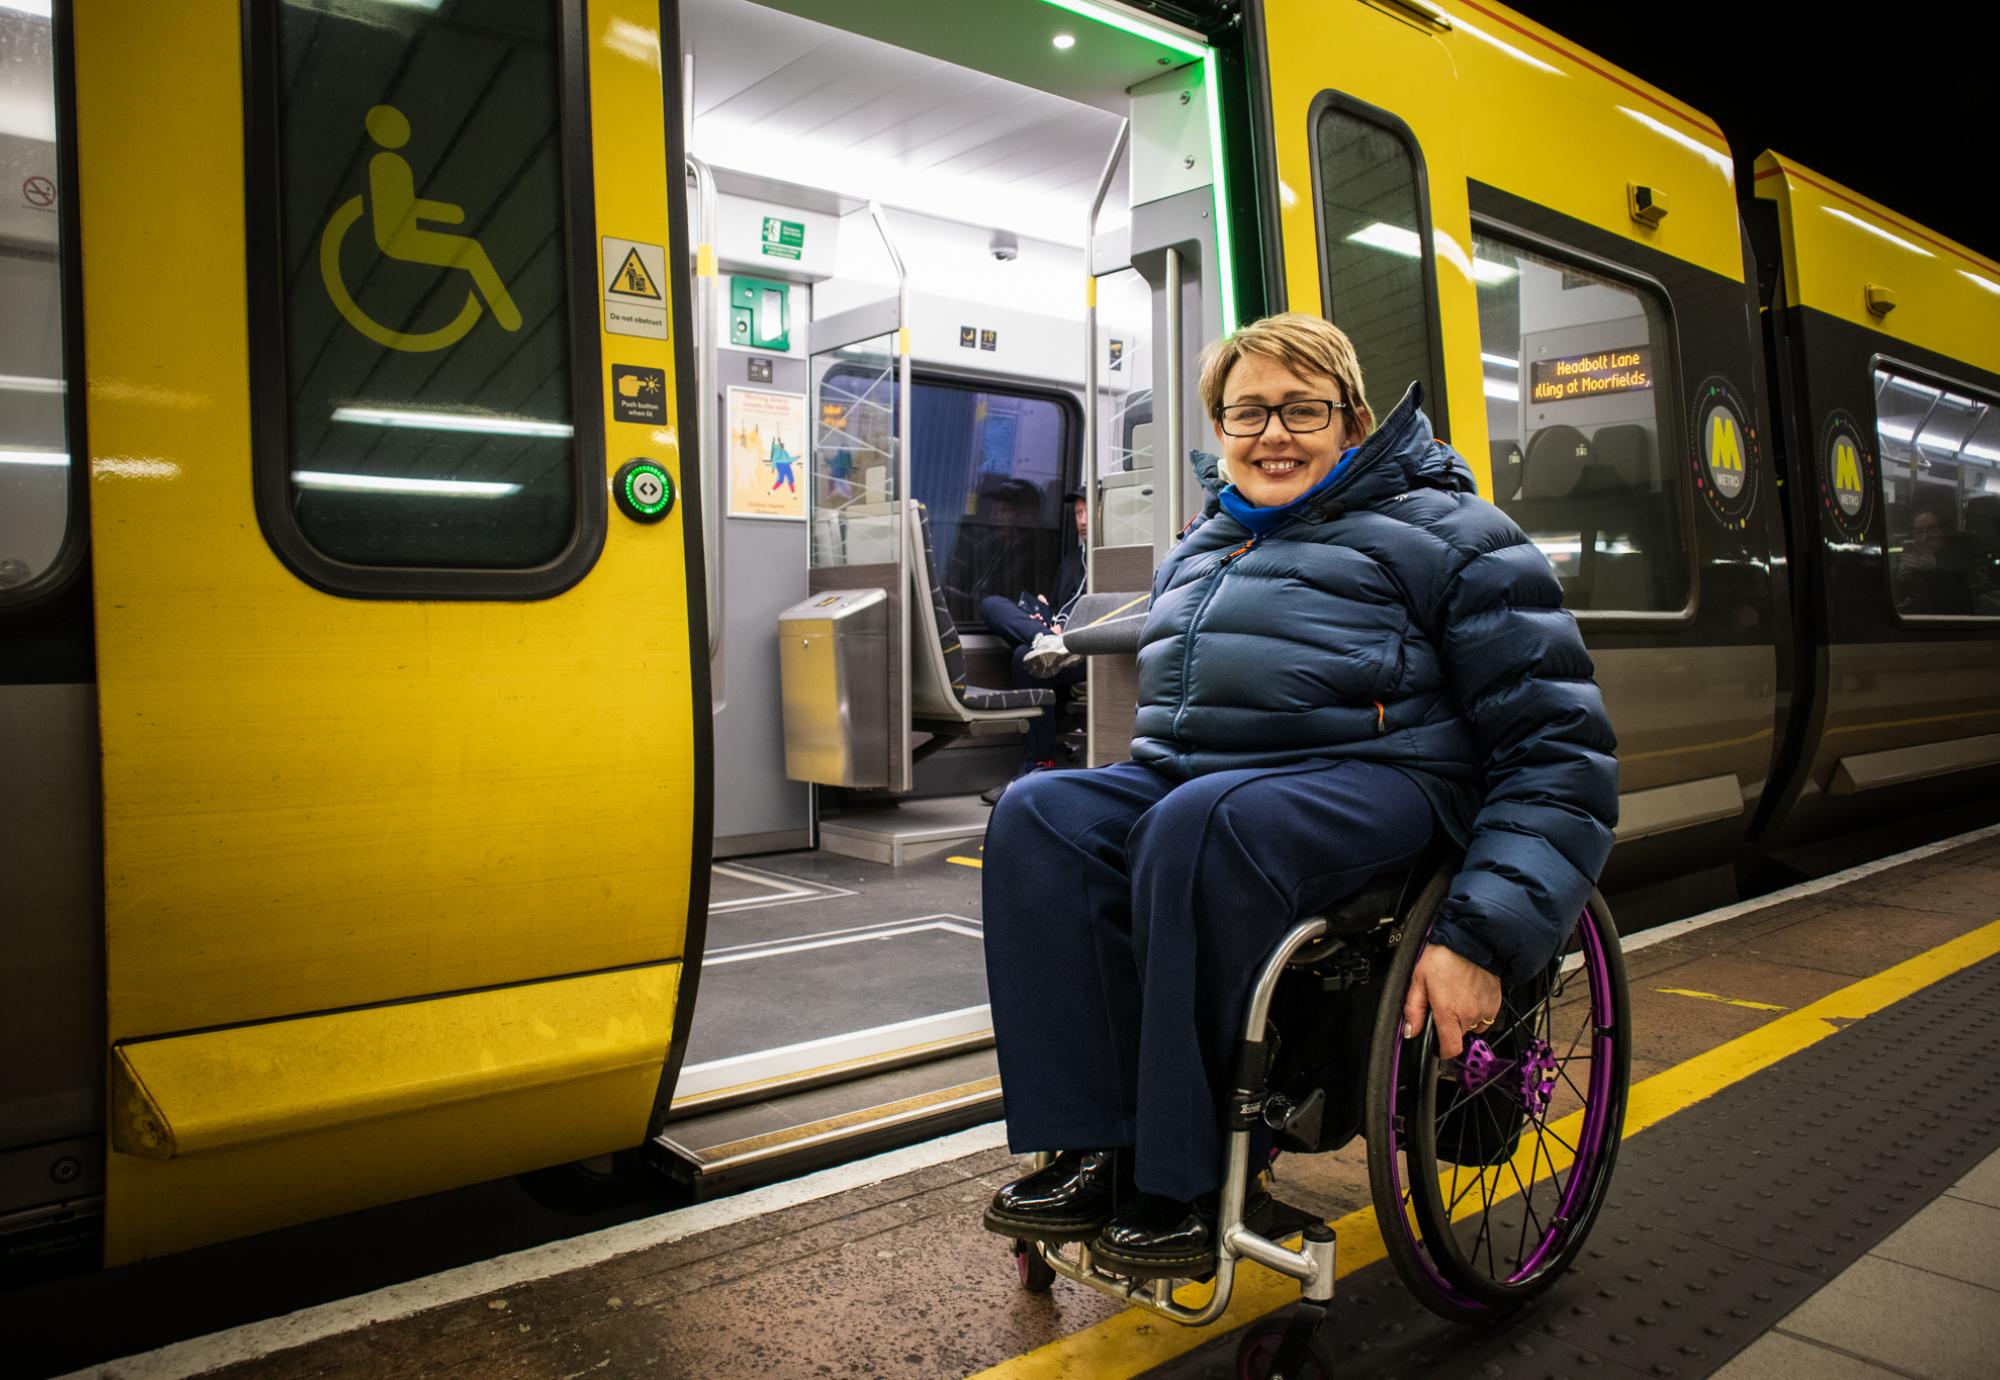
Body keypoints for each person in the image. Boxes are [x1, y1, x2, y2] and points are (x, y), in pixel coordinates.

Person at [978, 313, 1617, 1276]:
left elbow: (1558, 745)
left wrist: (1480, 937)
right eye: (1246, 414)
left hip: (1390, 782)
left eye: (1300, 409)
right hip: (1207, 787)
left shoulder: (1454, 534)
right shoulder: (1208, 543)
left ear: (1352, 420)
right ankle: (1098, 1148)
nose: (1271, 434)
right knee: (1040, 817)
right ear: (1219, 429)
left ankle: (1190, 1185)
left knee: (1201, 827)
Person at [976, 489, 1090, 805]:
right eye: (1077, 514)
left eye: (1086, 512)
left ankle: (1039, 763)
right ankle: (1043, 638)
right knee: (991, 603)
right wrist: (1045, 616)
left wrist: (1067, 630)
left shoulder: (1114, 558)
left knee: (1023, 656)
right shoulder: (1070, 562)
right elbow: (1057, 606)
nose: (1081, 521)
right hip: (1056, 640)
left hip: (1085, 647)